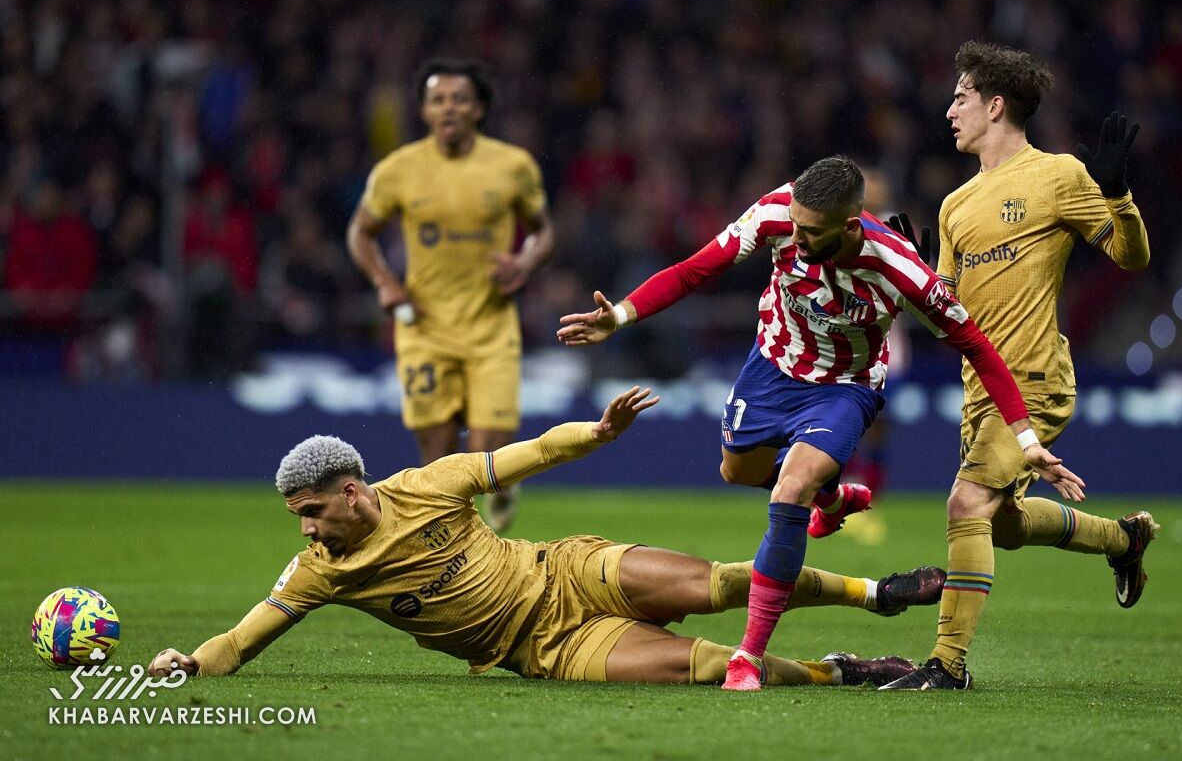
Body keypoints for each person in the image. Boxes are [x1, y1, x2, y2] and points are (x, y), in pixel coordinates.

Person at [557, 156, 1083, 692]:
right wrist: (619, 316)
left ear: (850, 226)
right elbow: (695, 270)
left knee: (789, 491)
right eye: (796, 227)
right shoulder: (776, 213)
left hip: (843, 388)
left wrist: (1023, 435)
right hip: (771, 366)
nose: (797, 240)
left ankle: (747, 657)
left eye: (811, 233)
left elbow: (977, 346)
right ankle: (832, 499)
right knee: (736, 472)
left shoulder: (898, 267)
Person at [148, 386, 946, 688]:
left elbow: (527, 454)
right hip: (547, 649)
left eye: (312, 511)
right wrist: (189, 663)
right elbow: (240, 639)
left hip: (567, 574)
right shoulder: (321, 572)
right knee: (706, 667)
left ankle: (874, 593)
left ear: (350, 492)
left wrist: (598, 432)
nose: (309, 530)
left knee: (719, 585)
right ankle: (838, 672)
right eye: (301, 520)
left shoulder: (428, 484)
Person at [879, 41, 1156, 691]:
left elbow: (1131, 256)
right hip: (983, 394)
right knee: (997, 524)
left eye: (961, 97)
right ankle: (1123, 541)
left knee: (965, 501)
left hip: (1036, 379)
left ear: (995, 104)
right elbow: (949, 318)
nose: (950, 110)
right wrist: (915, 279)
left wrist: (1119, 196)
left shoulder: (1056, 175)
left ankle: (947, 666)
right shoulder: (953, 205)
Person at [346, 57, 556, 532]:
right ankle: (450, 556)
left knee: (486, 458)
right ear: (423, 110)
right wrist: (385, 280)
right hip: (424, 328)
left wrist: (524, 260)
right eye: (438, 99)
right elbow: (360, 233)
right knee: (436, 461)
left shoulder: (512, 166)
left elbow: (544, 232)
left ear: (479, 109)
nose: (449, 108)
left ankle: (491, 523)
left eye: (460, 99)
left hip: (491, 326)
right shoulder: (398, 170)